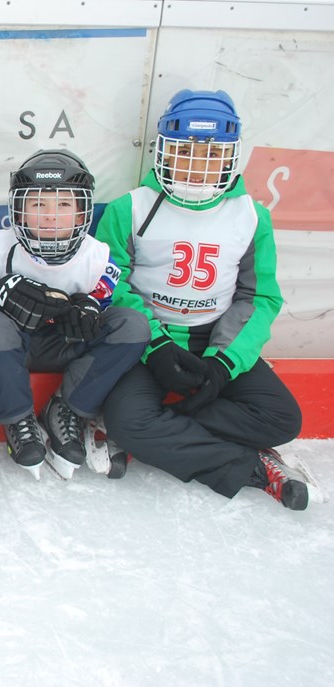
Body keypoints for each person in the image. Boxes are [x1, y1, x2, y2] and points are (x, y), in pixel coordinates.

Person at [96, 89, 318, 510]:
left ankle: (157, 431)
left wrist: (223, 363)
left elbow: (259, 297)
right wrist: (156, 346)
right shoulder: (130, 208)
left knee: (283, 419)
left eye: (212, 154)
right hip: (148, 342)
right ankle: (251, 467)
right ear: (164, 150)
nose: (197, 167)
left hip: (213, 337)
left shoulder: (252, 216)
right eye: (185, 152)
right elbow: (110, 284)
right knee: (129, 422)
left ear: (231, 156)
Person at [0, 150, 150, 480]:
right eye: (38, 204)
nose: (50, 216)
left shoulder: (97, 256)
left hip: (67, 346)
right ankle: (18, 419)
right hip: (13, 350)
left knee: (132, 325)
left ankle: (66, 408)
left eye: (63, 205)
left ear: (81, 212)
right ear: (19, 208)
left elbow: (105, 302)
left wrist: (90, 306)